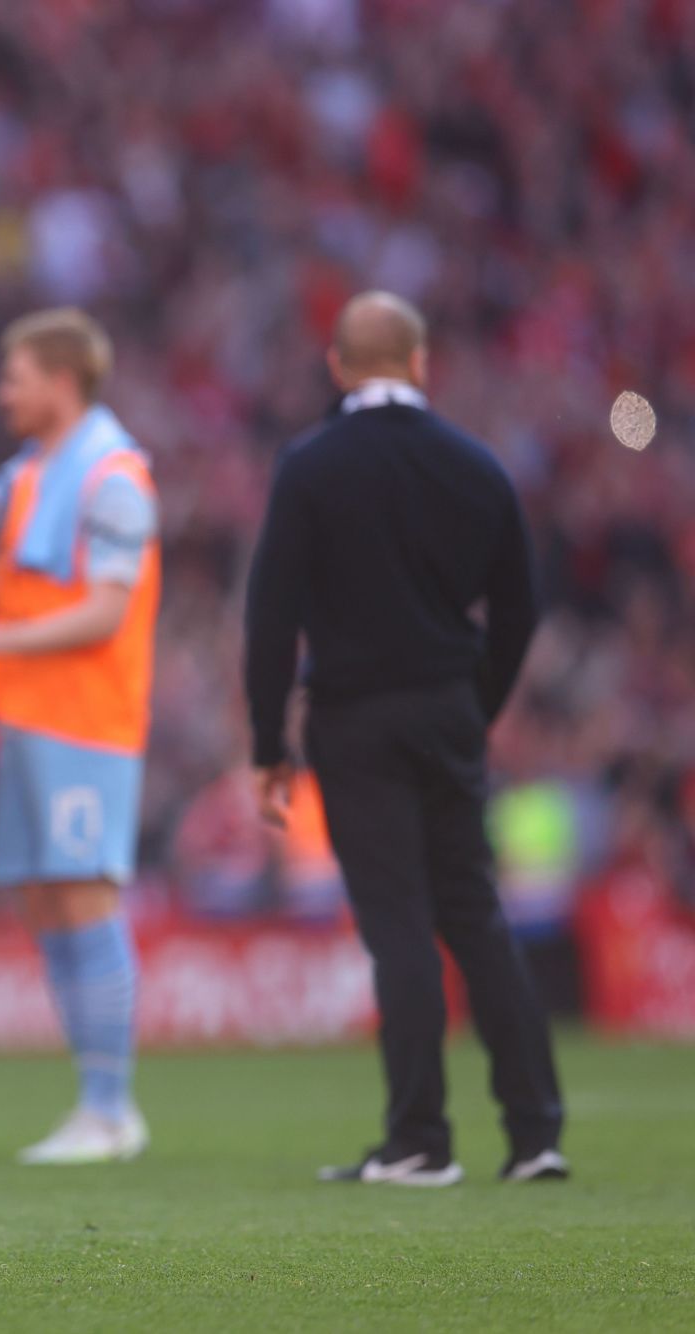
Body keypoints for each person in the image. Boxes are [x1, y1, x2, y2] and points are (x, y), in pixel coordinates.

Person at [244, 290, 567, 1186]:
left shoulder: (310, 466)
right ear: (421, 363)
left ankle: (421, 1139)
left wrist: (271, 741)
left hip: (353, 718)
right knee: (475, 912)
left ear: (341, 369)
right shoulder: (477, 466)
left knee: (398, 926)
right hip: (447, 708)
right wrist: (477, 701)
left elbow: (271, 616)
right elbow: (520, 607)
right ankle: (536, 1134)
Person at [0, 307, 159, 1165]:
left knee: (85, 896)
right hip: (26, 716)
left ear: (61, 379)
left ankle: (112, 1107)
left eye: (15, 376)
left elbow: (104, 611)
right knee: (49, 904)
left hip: (86, 721)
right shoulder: (39, 472)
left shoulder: (113, 478)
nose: (1, 391)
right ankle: (95, 1102)